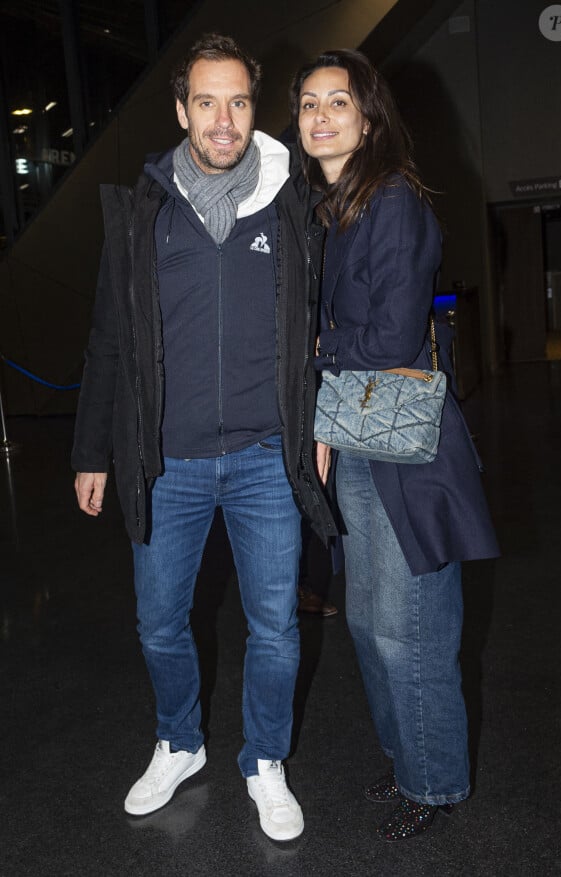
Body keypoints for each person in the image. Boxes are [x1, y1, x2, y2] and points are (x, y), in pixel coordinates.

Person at [72, 33, 336, 843]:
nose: (224, 120)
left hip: (265, 456)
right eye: (207, 102)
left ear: (256, 110)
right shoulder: (143, 208)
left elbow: (323, 325)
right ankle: (180, 741)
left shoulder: (295, 202)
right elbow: (109, 339)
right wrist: (91, 449)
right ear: (182, 107)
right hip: (168, 461)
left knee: (276, 626)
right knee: (159, 622)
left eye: (240, 101)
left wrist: (320, 423)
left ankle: (264, 759)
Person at [290, 49, 499, 841]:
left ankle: (436, 781)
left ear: (368, 115)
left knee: (414, 627)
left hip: (407, 446)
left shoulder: (394, 201)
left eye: (337, 102)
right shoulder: (336, 207)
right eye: (308, 103)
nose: (320, 116)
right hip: (359, 436)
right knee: (370, 622)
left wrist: (308, 347)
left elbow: (390, 334)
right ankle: (409, 759)